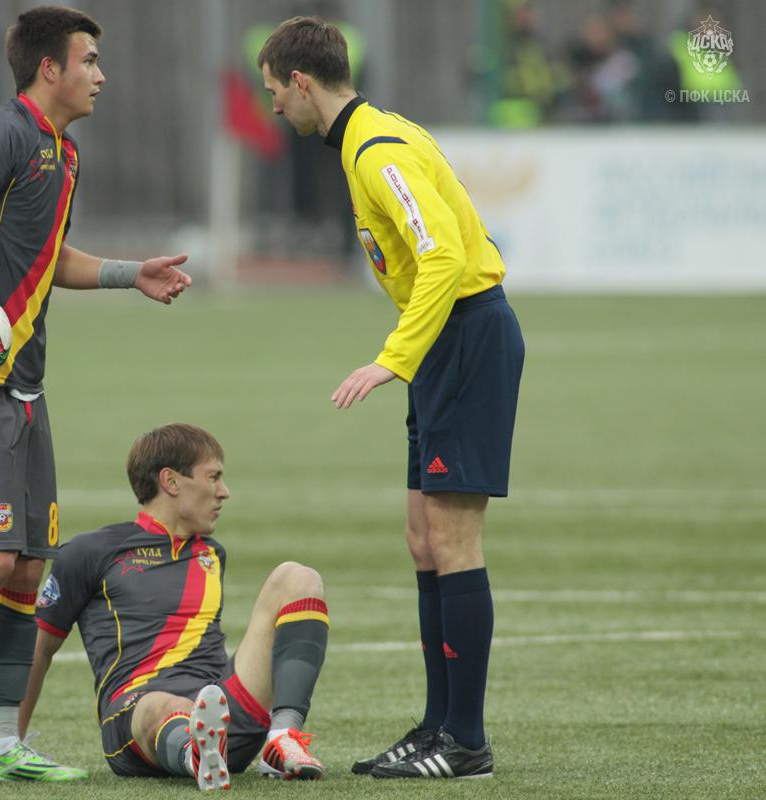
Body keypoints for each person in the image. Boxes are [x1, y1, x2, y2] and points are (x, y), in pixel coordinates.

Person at [0, 6, 192, 785]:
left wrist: (131, 275)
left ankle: (0, 744)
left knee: (29, 571)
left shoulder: (63, 153)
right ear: (49, 69)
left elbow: (49, 257)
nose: (101, 75)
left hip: (26, 389)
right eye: (88, 60)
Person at [258, 17, 525, 780]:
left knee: (454, 542)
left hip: (464, 335)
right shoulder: (366, 139)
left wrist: (392, 359)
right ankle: (438, 727)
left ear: (302, 82)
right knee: (423, 539)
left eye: (275, 90)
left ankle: (465, 742)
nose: (274, 105)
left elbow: (442, 257)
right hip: (443, 340)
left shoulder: (377, 149)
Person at [18, 424, 330, 789]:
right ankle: (194, 754)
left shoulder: (211, 554)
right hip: (135, 718)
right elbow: (38, 649)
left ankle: (282, 737)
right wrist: (12, 738)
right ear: (171, 481)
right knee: (164, 707)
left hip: (222, 714)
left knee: (298, 578)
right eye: (213, 477)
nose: (224, 492)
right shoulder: (90, 552)